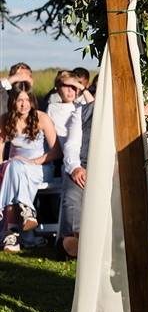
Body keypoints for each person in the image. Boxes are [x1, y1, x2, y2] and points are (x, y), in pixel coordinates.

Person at [0, 83, 59, 252]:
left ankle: (11, 232)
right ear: (13, 102)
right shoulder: (5, 119)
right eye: (19, 100)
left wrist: (32, 162)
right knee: (12, 167)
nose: (24, 104)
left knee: (15, 167)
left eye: (27, 100)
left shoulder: (41, 118)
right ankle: (27, 212)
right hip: (15, 170)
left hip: (40, 167)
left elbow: (56, 152)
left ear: (32, 101)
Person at [59, 100, 94, 257]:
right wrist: (75, 168)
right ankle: (73, 237)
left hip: (113, 168)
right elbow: (72, 145)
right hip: (84, 164)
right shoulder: (82, 112)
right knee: (73, 191)